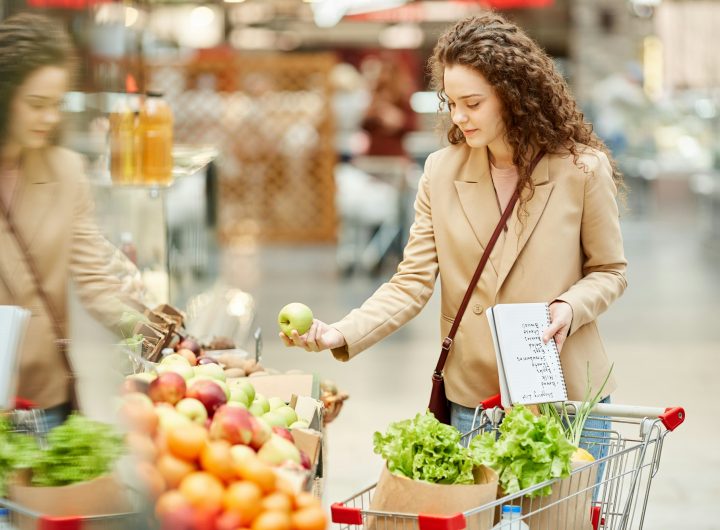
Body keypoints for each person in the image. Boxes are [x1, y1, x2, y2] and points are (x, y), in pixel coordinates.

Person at [280, 13, 627, 449]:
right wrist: (342, 331)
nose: (459, 116)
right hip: (475, 403)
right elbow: (411, 283)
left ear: (513, 94)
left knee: (562, 519)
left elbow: (610, 270)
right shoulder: (440, 173)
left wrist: (570, 307)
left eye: (473, 102)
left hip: (566, 397)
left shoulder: (580, 169)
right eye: (451, 102)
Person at [0, 13, 142, 429]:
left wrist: (161, 335)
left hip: (42, 400)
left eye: (57, 105)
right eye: (36, 105)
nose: (49, 118)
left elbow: (95, 280)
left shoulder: (66, 172)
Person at [360, 55, 417, 158]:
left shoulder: (402, 98)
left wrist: (398, 120)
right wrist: (373, 114)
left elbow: (412, 125)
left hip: (394, 154)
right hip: (374, 153)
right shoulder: (375, 95)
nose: (385, 76)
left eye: (388, 72)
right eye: (383, 71)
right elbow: (364, 125)